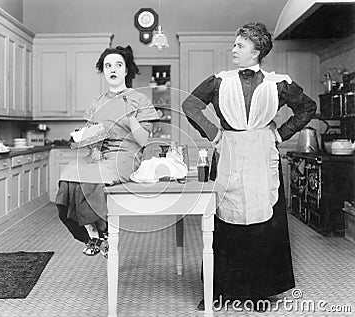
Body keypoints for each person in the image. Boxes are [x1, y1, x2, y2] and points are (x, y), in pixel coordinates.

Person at [182, 22, 316, 310]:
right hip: (228, 151)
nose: (233, 49)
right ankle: (218, 292)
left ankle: (259, 293)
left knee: (263, 223)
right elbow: (190, 105)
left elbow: (307, 107)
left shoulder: (278, 82)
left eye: (240, 46)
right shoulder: (219, 80)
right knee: (224, 221)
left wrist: (280, 134)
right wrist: (213, 133)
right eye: (234, 44)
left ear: (257, 51)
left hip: (261, 154)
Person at [56, 45, 159, 257]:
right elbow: (92, 133)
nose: (113, 69)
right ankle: (92, 233)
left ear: (126, 70)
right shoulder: (98, 102)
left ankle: (102, 231)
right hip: (99, 153)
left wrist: (131, 116)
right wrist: (85, 139)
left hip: (125, 154)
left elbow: (143, 140)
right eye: (108, 65)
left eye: (118, 65)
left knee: (92, 176)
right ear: (103, 71)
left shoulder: (140, 99)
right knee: (68, 174)